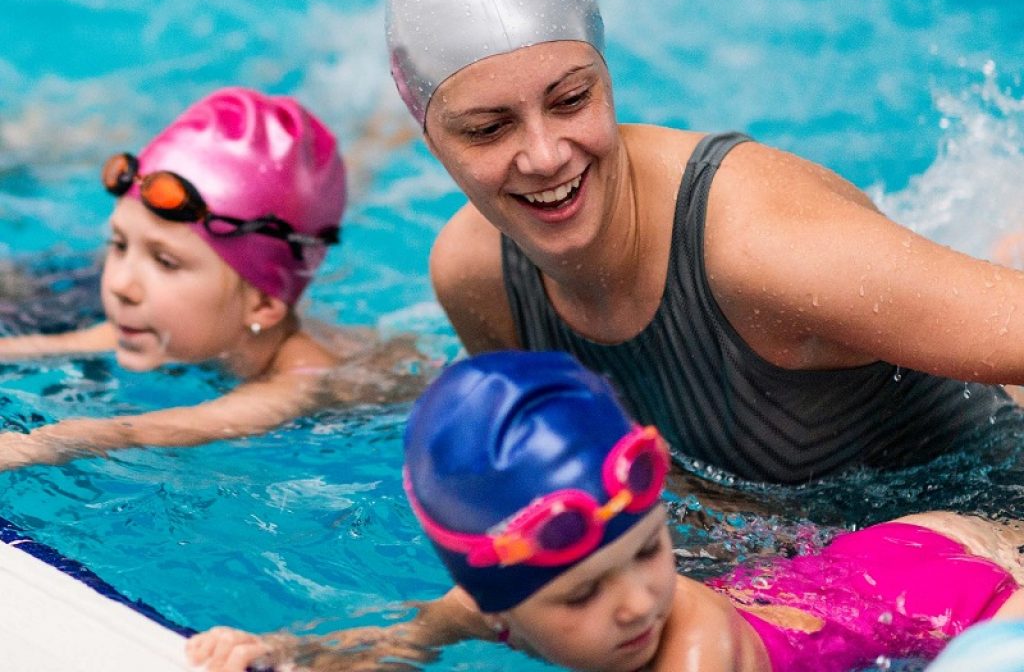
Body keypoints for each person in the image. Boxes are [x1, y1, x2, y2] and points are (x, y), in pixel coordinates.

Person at [380, 0, 1024, 485]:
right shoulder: (477, 277)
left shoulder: (760, 246)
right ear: (431, 141)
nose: (546, 156)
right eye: (489, 129)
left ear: (608, 80)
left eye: (571, 100)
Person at [186, 350, 1024, 672]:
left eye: (648, 551)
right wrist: (285, 654)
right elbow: (400, 640)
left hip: (975, 594)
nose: (635, 603)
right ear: (503, 605)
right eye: (582, 593)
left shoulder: (692, 657)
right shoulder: (491, 601)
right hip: (874, 566)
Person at [0, 86, 427, 470]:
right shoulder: (161, 322)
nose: (119, 285)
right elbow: (42, 347)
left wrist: (38, 443)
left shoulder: (303, 376)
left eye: (165, 262)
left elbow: (176, 426)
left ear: (263, 305)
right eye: (119, 244)